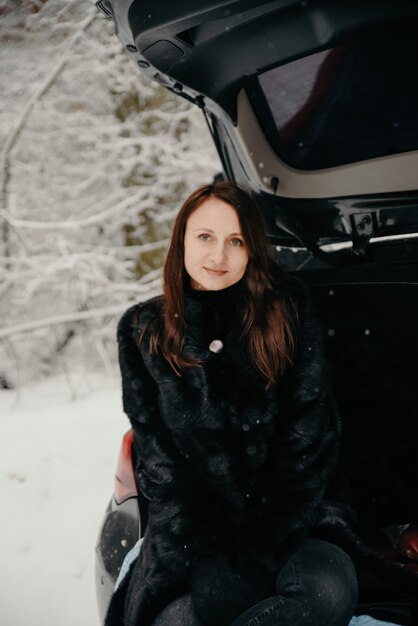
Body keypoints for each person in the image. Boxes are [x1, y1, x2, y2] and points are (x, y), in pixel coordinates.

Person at [105, 181, 359, 626]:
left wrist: (262, 540)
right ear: (181, 240)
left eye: (235, 241)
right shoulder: (143, 331)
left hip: (296, 526)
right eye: (205, 237)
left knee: (327, 590)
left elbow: (310, 438)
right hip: (196, 541)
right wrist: (213, 555)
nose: (218, 256)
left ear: (252, 250)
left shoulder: (288, 311)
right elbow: (159, 464)